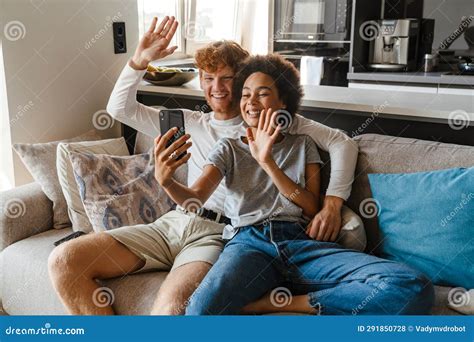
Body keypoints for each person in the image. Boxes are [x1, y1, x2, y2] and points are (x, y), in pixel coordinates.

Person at [48, 16, 359, 315]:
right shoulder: (190, 122)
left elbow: (342, 142)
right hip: (174, 221)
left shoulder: (266, 120)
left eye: (227, 78)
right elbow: (119, 108)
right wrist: (139, 61)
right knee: (64, 261)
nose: (217, 87)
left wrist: (332, 205)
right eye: (208, 78)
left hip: (217, 233)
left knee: (171, 310)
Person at [156, 54, 434, 315]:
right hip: (247, 243)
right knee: (200, 310)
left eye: (263, 93)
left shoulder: (302, 145)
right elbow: (196, 198)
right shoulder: (227, 148)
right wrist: (166, 181)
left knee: (412, 285)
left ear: (283, 102)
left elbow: (312, 206)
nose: (251, 101)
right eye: (245, 94)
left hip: (300, 241)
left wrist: (268, 163)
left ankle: (279, 304)